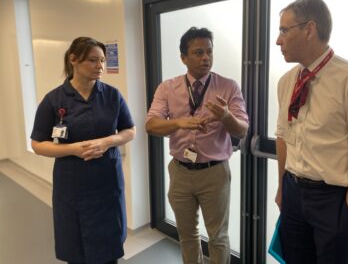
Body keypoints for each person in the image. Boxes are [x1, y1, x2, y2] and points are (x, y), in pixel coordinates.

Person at [274, 0, 348, 264]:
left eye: (284, 30)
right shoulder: (287, 81)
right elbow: (283, 136)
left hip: (332, 200)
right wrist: (282, 188)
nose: (278, 40)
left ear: (309, 29)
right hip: (292, 192)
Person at [146, 27, 249, 264]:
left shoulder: (228, 87)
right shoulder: (168, 88)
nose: (206, 58)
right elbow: (151, 125)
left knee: (218, 236)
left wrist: (225, 116)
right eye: (198, 52)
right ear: (183, 57)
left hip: (215, 173)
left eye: (209, 52)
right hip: (180, 172)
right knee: (187, 234)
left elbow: (242, 130)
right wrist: (180, 122)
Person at [31, 37, 135, 264]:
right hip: (72, 187)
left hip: (107, 183)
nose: (101, 66)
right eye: (93, 60)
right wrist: (73, 149)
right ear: (73, 59)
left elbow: (130, 130)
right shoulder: (53, 100)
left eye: (103, 61)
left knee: (109, 251)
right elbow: (38, 144)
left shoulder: (112, 95)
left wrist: (107, 141)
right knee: (77, 252)